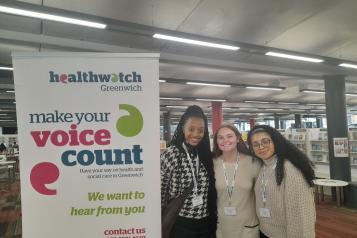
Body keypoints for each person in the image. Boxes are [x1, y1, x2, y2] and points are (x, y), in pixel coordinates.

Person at [247, 125, 316, 238]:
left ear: (275, 141)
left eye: (265, 141)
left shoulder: (290, 169)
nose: (261, 147)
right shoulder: (264, 166)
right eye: (255, 144)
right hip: (265, 231)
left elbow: (301, 216)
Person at [161, 105, 217, 238]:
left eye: (201, 130)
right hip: (180, 224)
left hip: (206, 224)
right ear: (182, 129)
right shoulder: (172, 154)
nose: (196, 134)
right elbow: (161, 191)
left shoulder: (204, 155)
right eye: (191, 129)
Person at [212, 123, 260, 238]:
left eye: (229, 136)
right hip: (222, 227)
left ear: (237, 138)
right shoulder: (212, 164)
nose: (225, 140)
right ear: (216, 141)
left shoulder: (253, 163)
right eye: (221, 137)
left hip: (248, 228)